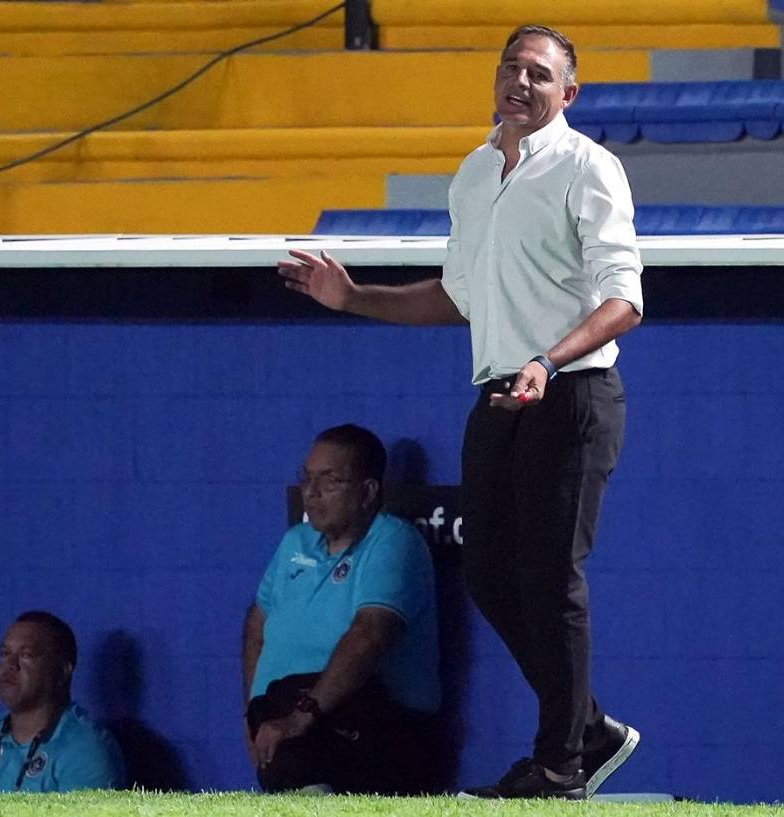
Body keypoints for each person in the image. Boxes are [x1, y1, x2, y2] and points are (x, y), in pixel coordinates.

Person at [277, 24, 643, 800]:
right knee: (487, 575)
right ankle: (586, 728)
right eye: (511, 68)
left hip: (572, 392)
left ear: (568, 93)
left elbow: (624, 301)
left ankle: (558, 764)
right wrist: (354, 298)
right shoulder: (475, 174)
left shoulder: (589, 168)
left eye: (540, 74)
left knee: (551, 575)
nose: (521, 82)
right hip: (500, 393)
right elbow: (458, 296)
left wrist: (549, 360)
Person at [241, 424, 440, 794]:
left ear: (367, 491)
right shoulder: (294, 542)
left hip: (371, 726)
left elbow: (369, 636)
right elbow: (256, 626)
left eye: (329, 481)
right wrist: (254, 713)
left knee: (298, 755)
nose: (311, 494)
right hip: (284, 720)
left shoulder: (393, 540)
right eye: (307, 479)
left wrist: (300, 718)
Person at [0, 611, 125, 792]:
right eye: (5, 653)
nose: (10, 664)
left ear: (62, 671)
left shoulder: (86, 751)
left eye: (27, 655)